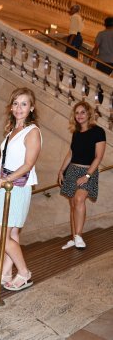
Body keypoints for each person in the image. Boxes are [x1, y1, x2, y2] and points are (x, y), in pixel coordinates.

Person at [0, 87, 42, 292]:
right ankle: (5, 272)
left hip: (16, 186)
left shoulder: (32, 131)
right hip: (4, 185)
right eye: (15, 103)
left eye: (24, 104)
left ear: (31, 108)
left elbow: (28, 164)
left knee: (0, 234)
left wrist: (4, 180)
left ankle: (24, 273)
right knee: (12, 233)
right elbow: (2, 161)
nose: (19, 108)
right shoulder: (12, 131)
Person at [58, 101, 106, 250]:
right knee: (73, 205)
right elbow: (71, 153)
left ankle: (78, 236)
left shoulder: (98, 131)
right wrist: (61, 170)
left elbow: (98, 157)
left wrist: (87, 176)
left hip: (88, 172)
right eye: (77, 113)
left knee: (79, 200)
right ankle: (74, 238)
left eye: (82, 112)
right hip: (72, 170)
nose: (79, 115)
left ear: (89, 114)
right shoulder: (76, 132)